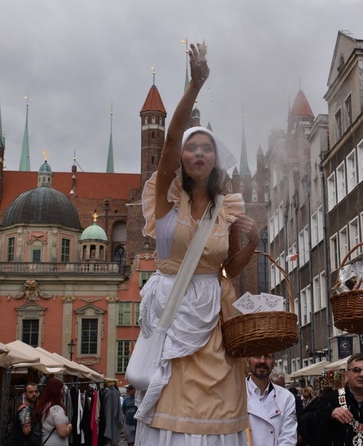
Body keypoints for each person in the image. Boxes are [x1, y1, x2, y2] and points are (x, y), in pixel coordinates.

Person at [133, 41, 260, 445]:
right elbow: (169, 137)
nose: (198, 152)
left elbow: (232, 270)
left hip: (215, 313)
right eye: (192, 147)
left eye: (206, 147)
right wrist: (196, 85)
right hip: (173, 306)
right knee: (173, 405)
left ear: (214, 160)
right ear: (182, 157)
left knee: (219, 409)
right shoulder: (165, 199)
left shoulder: (227, 208)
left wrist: (252, 241)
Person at [246, 353, 298, 446]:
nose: (262, 361)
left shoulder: (286, 398)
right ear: (247, 361)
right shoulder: (236, 394)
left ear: (273, 363)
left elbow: (288, 438)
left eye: (267, 357)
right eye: (257, 356)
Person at [32, 378, 72, 446]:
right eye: (61, 389)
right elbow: (62, 433)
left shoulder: (43, 406)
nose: (62, 392)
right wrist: (69, 427)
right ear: (56, 391)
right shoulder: (57, 409)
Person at [14, 382, 39, 446]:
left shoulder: (31, 409)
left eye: (35, 391)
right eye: (31, 392)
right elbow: (26, 431)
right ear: (25, 394)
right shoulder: (24, 410)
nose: (34, 394)